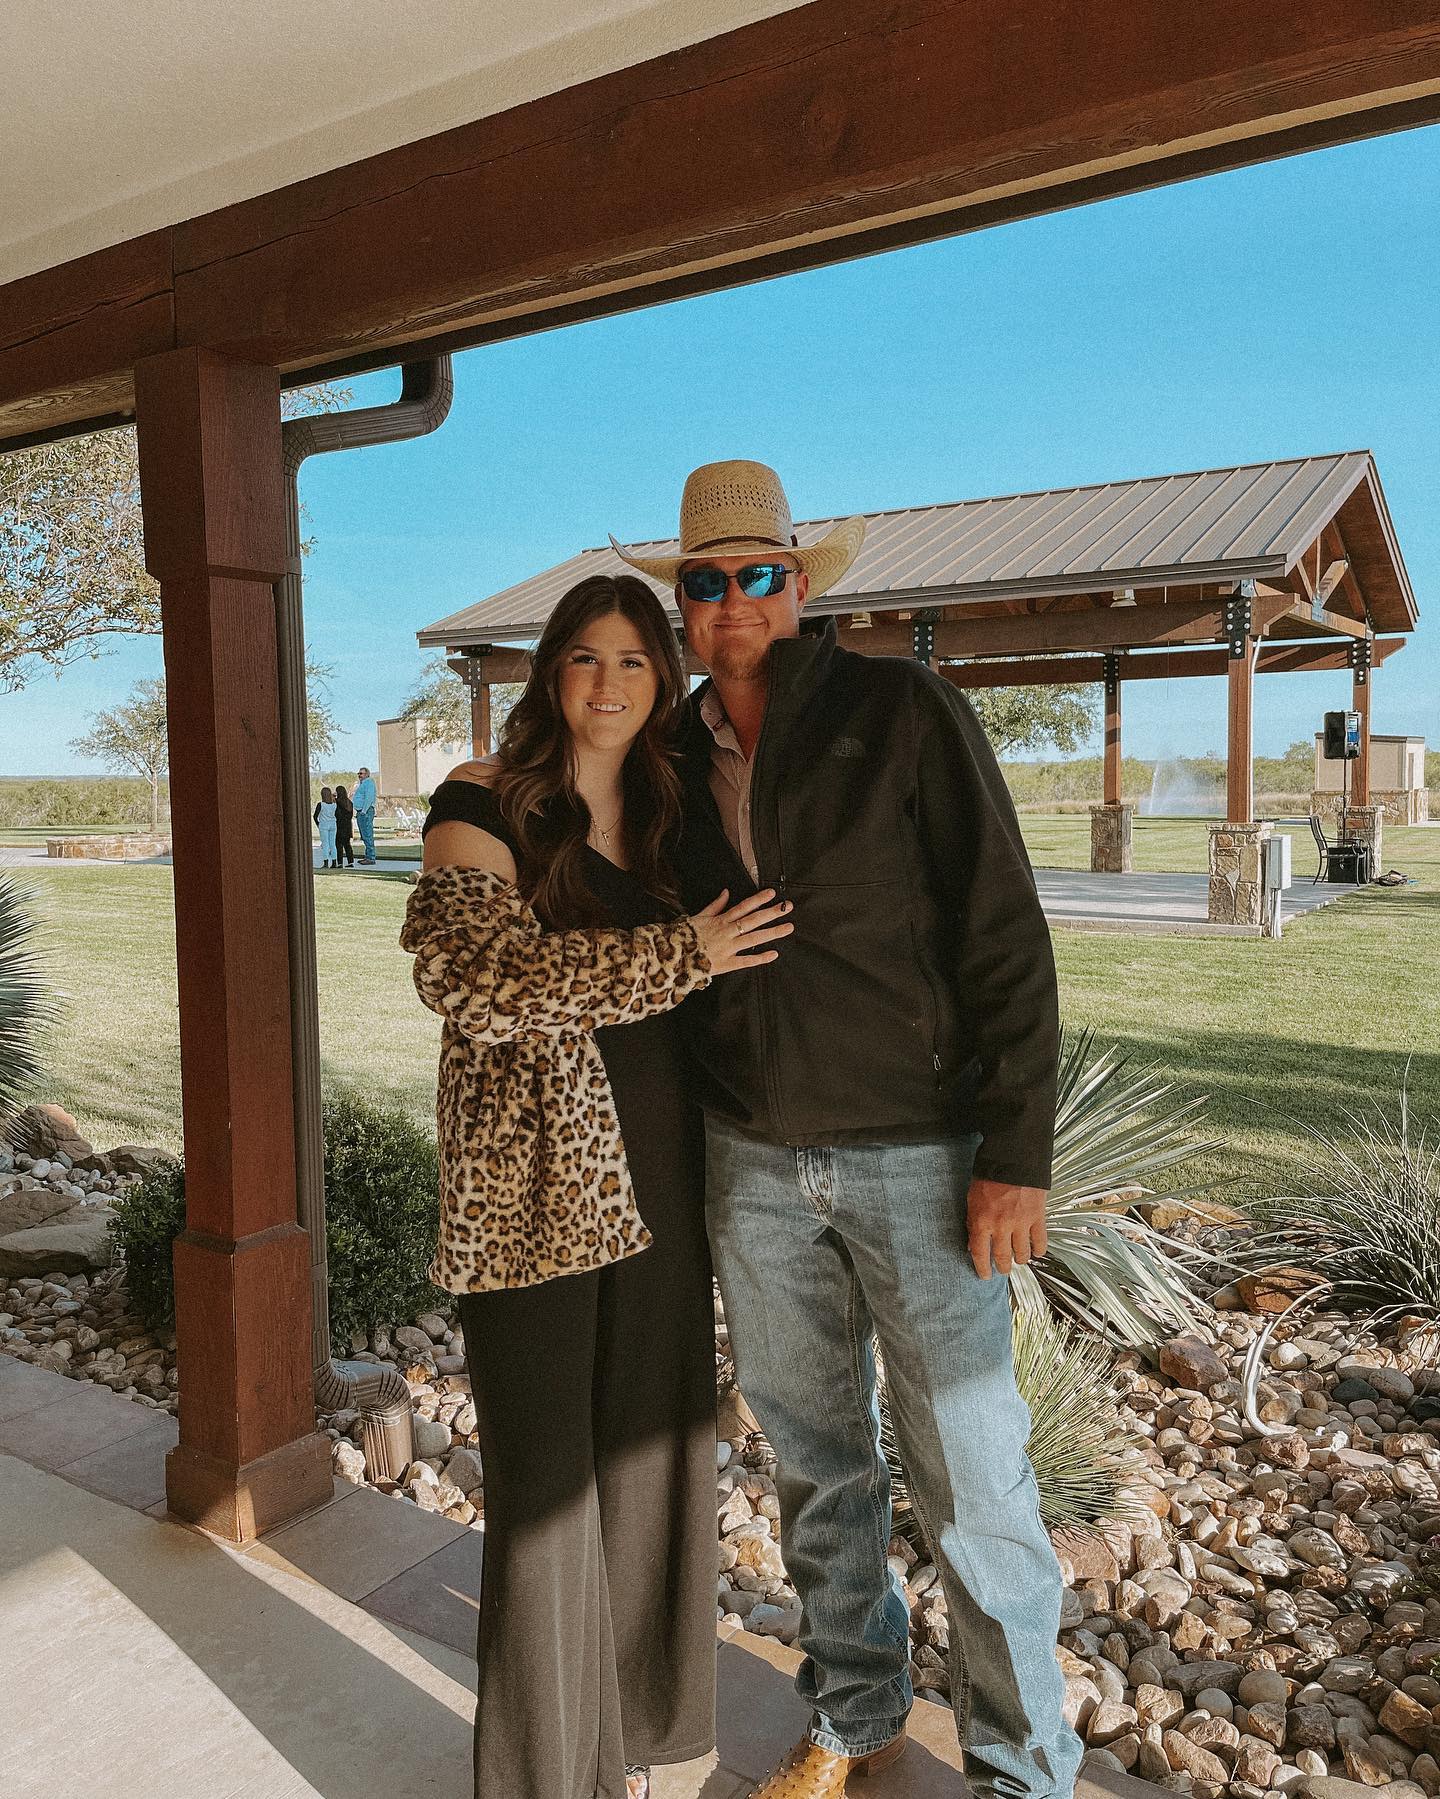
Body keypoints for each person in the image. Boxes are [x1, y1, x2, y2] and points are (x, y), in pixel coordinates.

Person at [613, 461, 1082, 1799]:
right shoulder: (667, 763)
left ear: (801, 588)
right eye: (705, 581)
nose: (731, 600)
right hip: (752, 1165)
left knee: (975, 1482)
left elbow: (1004, 934)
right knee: (819, 1467)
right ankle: (860, 1709)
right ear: (683, 606)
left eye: (758, 573)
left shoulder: (903, 710)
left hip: (923, 1159)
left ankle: (1023, 1763)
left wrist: (1017, 1152)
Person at [400, 572, 793, 1799]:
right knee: (545, 1487)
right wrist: (683, 952)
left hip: (666, 1179)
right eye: (585, 658)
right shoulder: (482, 800)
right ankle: (544, 1778)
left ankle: (661, 1745)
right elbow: (475, 977)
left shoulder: (676, 825)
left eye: (633, 661)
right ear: (550, 674)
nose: (610, 684)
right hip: (532, 1195)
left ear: (657, 679)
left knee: (653, 1458)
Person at [352, 765, 378, 862]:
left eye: (361, 773)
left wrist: (364, 811)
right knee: (364, 835)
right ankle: (367, 856)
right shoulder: (362, 784)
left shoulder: (369, 783)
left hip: (365, 812)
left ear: (367, 774)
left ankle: (371, 857)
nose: (359, 775)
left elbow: (369, 797)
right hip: (361, 811)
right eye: (358, 773)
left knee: (367, 834)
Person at [313, 785, 337, 868]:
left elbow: (315, 816)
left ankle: (326, 862)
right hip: (333, 824)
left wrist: (318, 824)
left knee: (325, 844)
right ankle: (334, 862)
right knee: (332, 844)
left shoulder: (321, 804)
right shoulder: (334, 804)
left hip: (324, 825)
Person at [334, 782, 356, 867]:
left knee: (339, 845)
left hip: (339, 825)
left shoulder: (337, 802)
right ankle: (350, 862)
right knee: (347, 845)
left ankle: (340, 863)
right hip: (347, 825)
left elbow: (336, 813)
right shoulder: (349, 802)